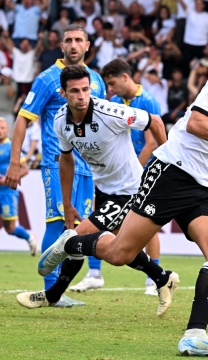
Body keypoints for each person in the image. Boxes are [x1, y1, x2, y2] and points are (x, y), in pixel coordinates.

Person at [36, 28, 208, 357]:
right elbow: (196, 124)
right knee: (120, 253)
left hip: (205, 185)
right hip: (172, 171)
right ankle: (73, 242)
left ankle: (194, 335)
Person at [15, 65, 176, 313]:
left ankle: (53, 294)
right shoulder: (60, 121)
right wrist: (67, 205)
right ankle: (163, 278)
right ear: (63, 93)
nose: (82, 96)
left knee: (78, 237)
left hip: (129, 190)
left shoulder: (110, 112)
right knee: (122, 250)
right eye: (75, 91)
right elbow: (66, 159)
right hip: (103, 190)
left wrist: (168, 165)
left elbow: (154, 121)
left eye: (85, 89)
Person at [5, 24, 106, 308]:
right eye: (68, 40)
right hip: (56, 162)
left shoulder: (95, 79)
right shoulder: (48, 79)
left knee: (82, 227)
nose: (73, 45)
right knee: (57, 220)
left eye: (78, 40)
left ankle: (64, 286)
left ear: (87, 46)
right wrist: (16, 161)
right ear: (61, 45)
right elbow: (23, 120)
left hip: (88, 167)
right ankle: (51, 290)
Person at [65, 58, 164, 296]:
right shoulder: (116, 102)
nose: (110, 89)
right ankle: (96, 273)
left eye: (112, 83)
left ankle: (155, 277)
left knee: (148, 228)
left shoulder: (148, 100)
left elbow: (152, 140)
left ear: (125, 78)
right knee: (112, 231)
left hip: (142, 172)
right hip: (112, 178)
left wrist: (140, 169)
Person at [0, 118, 37, 254]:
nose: (0, 131)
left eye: (3, 128)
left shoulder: (11, 146)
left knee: (9, 228)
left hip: (7, 193)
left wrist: (8, 179)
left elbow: (25, 169)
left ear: (8, 130)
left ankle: (29, 237)